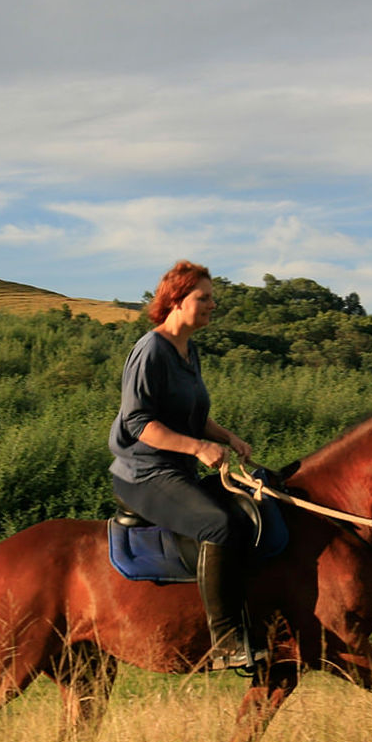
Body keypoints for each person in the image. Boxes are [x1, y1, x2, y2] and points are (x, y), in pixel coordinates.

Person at [108, 260, 262, 671]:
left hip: (177, 470)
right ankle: (227, 642)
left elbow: (189, 412)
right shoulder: (150, 351)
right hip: (144, 473)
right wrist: (197, 448)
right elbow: (138, 424)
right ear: (175, 301)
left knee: (250, 510)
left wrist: (225, 437)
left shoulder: (188, 349)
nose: (213, 304)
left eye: (212, 297)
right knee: (220, 525)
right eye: (204, 298)